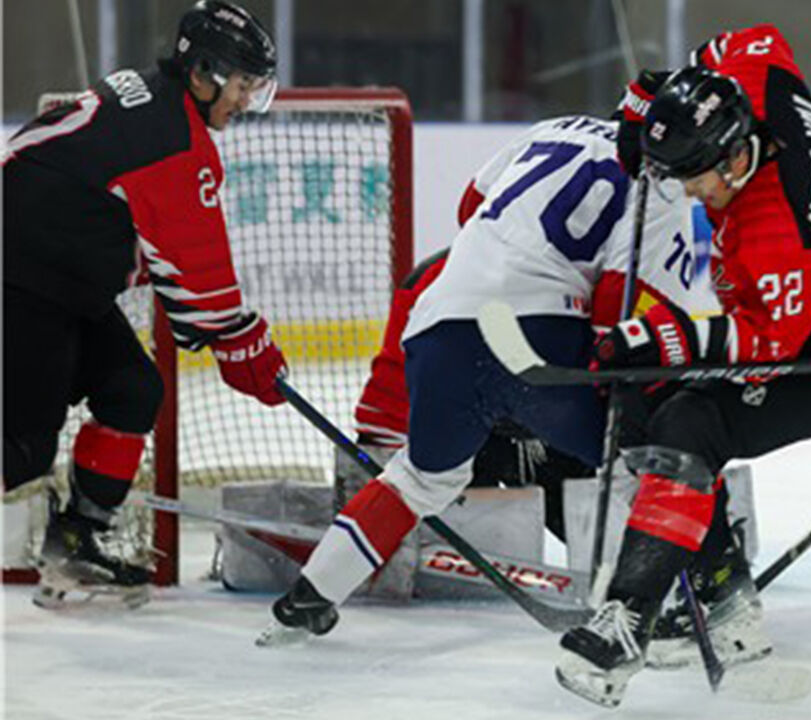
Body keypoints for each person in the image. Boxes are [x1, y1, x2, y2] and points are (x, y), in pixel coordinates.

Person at [554, 25, 811, 708]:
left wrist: (660, 336)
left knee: (689, 422)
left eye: (694, 177)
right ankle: (720, 594)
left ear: (736, 157)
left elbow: (770, 342)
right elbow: (752, 39)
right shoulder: (760, 83)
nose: (689, 194)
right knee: (639, 404)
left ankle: (631, 619)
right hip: (808, 311)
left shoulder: (780, 227)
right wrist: (653, 102)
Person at [257, 113, 712, 645]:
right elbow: (614, 314)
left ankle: (307, 599)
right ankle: (645, 610)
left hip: (438, 323)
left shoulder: (555, 129)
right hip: (536, 333)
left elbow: (470, 207)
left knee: (418, 480)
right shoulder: (661, 186)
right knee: (643, 461)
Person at [2, 0, 286, 608]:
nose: (245, 102)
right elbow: (199, 275)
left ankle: (75, 546)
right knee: (22, 447)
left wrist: (228, 333)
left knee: (132, 390)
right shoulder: (173, 138)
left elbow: (165, 256)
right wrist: (244, 342)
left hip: (59, 281)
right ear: (206, 73)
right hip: (22, 278)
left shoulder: (156, 99)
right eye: (243, 85)